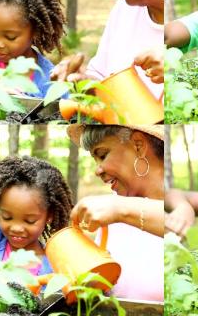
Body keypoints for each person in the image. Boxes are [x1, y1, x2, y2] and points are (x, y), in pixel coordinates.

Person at [67, 124, 164, 301]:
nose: (98, 170)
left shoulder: (118, 208)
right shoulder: (112, 213)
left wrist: (120, 209)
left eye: (102, 155)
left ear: (138, 145)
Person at [0, 156, 73, 276]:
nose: (16, 228)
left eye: (30, 221)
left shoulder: (54, 265)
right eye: (7, 217)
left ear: (49, 216)